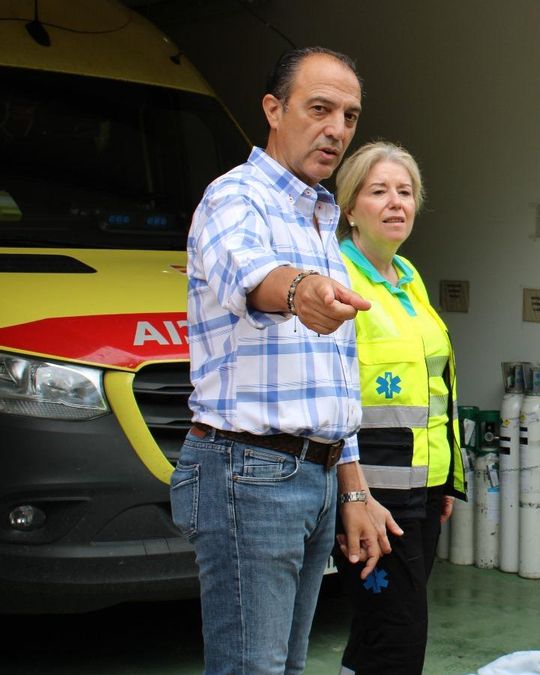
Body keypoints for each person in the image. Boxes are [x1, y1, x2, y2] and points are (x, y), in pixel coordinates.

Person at [172, 47, 395, 675]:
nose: (337, 130)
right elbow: (253, 274)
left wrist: (350, 484)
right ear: (274, 110)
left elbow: (329, 377)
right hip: (248, 471)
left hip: (313, 475)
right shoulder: (234, 198)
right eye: (319, 109)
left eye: (349, 116)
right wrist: (300, 292)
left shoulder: (321, 215)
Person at [331, 141, 468, 674]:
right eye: (379, 191)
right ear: (350, 208)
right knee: (398, 639)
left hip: (424, 491)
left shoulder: (406, 277)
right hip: (374, 496)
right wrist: (353, 492)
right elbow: (334, 395)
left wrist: (445, 478)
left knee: (377, 631)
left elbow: (433, 390)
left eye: (405, 192)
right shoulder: (339, 279)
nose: (395, 203)